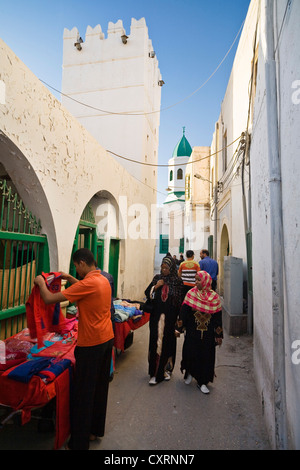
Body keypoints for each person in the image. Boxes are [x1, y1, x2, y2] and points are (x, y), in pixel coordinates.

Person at [34, 248, 114, 450]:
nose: (77, 270)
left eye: (76, 267)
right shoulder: (103, 279)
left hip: (91, 344)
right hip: (107, 340)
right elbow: (83, 287)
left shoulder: (89, 283)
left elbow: (49, 299)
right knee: (99, 389)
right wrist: (69, 277)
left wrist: (41, 283)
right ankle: (94, 431)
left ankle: (79, 443)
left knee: (83, 394)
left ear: (82, 263)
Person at [177, 270, 223, 394]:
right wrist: (179, 328)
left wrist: (218, 335)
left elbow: (218, 318)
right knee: (190, 353)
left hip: (207, 335)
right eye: (195, 279)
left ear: (206, 282)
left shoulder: (214, 298)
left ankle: (202, 382)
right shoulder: (191, 294)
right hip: (192, 333)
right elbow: (184, 313)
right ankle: (189, 373)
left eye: (198, 280)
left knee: (205, 356)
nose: (195, 282)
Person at [145, 255, 184, 385]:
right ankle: (155, 372)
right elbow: (147, 294)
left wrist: (179, 324)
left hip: (170, 319)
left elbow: (180, 303)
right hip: (156, 318)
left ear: (171, 268)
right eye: (162, 268)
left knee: (168, 343)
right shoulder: (157, 278)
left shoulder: (177, 281)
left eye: (166, 268)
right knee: (156, 343)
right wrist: (155, 287)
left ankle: (167, 369)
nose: (163, 270)